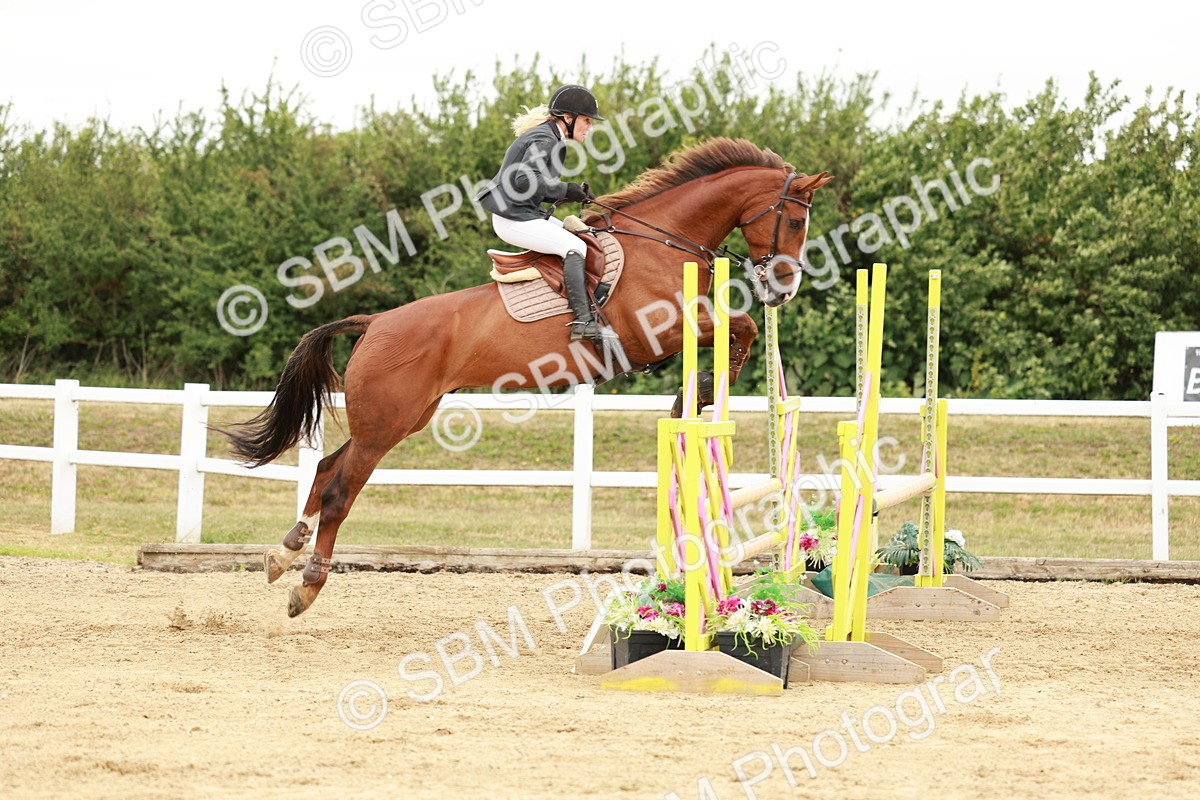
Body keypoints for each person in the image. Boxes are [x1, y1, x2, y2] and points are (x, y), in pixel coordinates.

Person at [477, 85, 605, 344]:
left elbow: (533, 185)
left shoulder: (553, 139)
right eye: (586, 120)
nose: (589, 127)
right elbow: (525, 180)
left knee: (579, 233)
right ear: (568, 119)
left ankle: (586, 295)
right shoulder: (545, 139)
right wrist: (564, 188)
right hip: (512, 219)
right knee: (573, 246)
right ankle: (582, 320)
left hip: (524, 213)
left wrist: (572, 193)